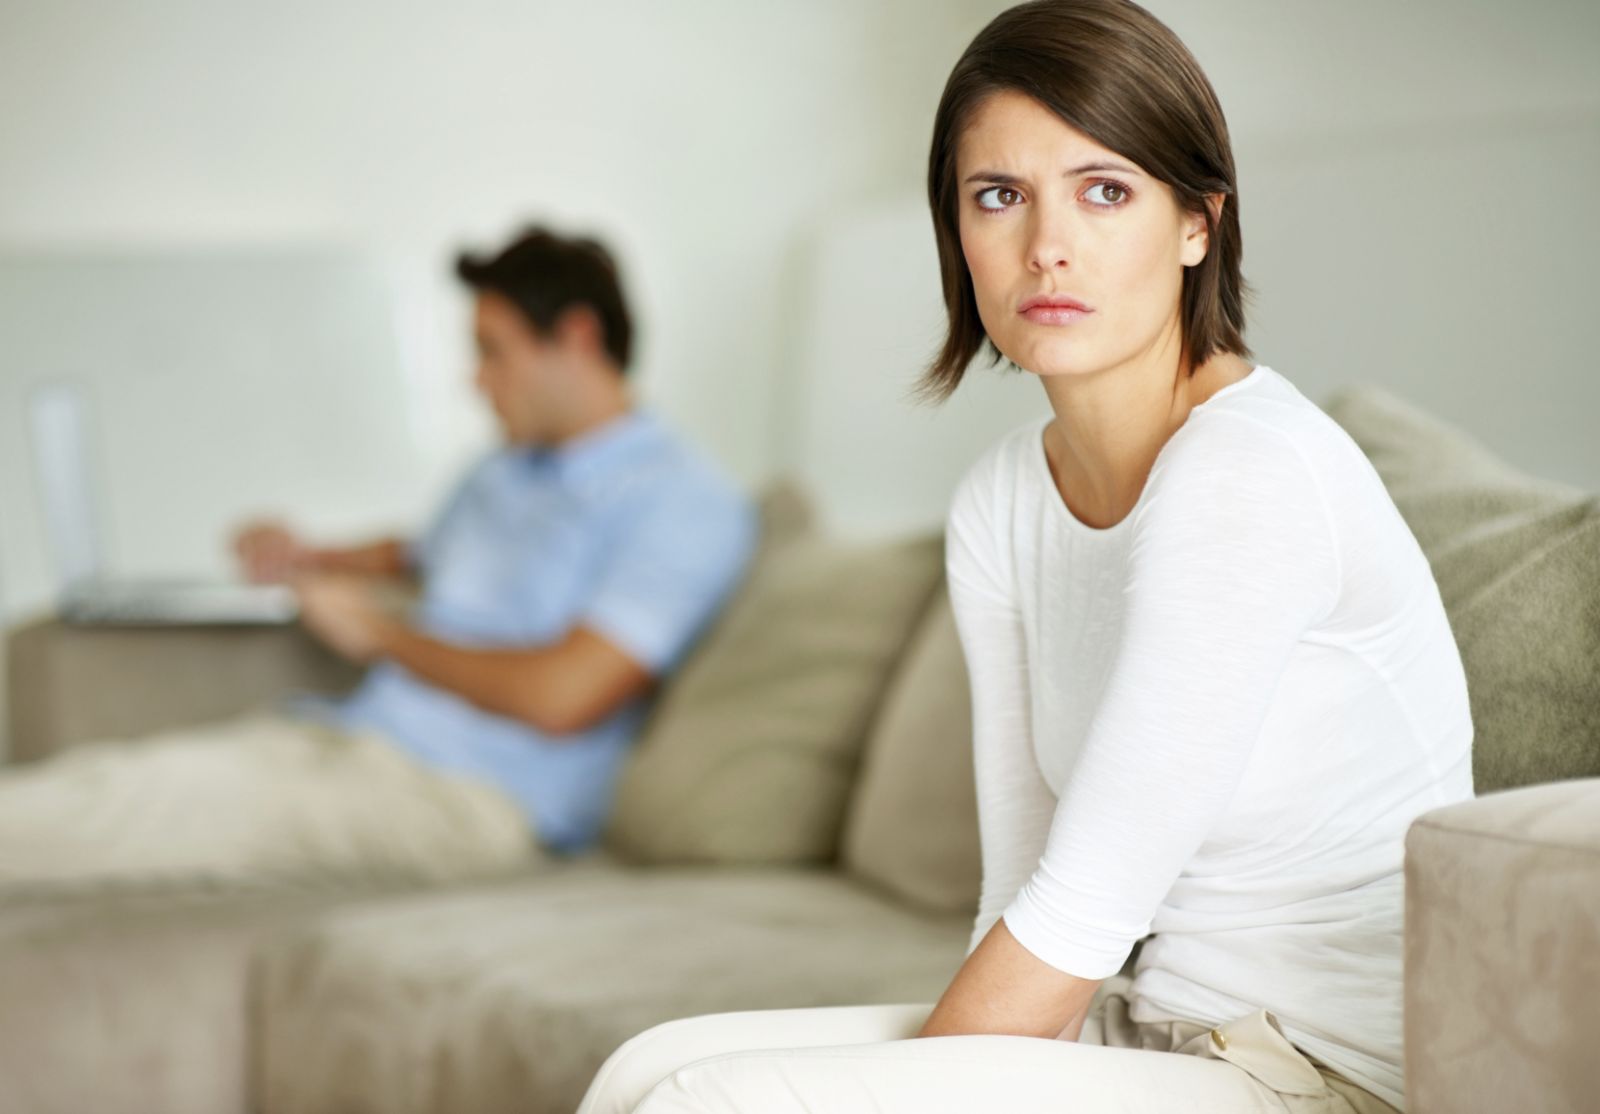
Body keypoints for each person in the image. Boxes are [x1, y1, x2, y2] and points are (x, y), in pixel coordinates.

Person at [572, 2, 1472, 1112]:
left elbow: (1083, 910)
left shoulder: (1250, 471)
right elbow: (1021, 889)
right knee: (653, 1069)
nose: (1047, 244)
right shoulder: (1002, 502)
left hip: (1321, 1073)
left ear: (1198, 223)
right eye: (998, 196)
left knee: (703, 1104)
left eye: (1105, 191)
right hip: (1147, 1037)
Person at [0, 226, 757, 887]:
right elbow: (418, 551)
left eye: (493, 352)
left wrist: (379, 636)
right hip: (357, 737)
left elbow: (562, 697)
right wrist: (310, 554)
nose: (476, 379)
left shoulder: (681, 501)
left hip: (469, 797)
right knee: (121, 781)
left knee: (127, 808)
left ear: (578, 338)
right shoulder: (502, 471)